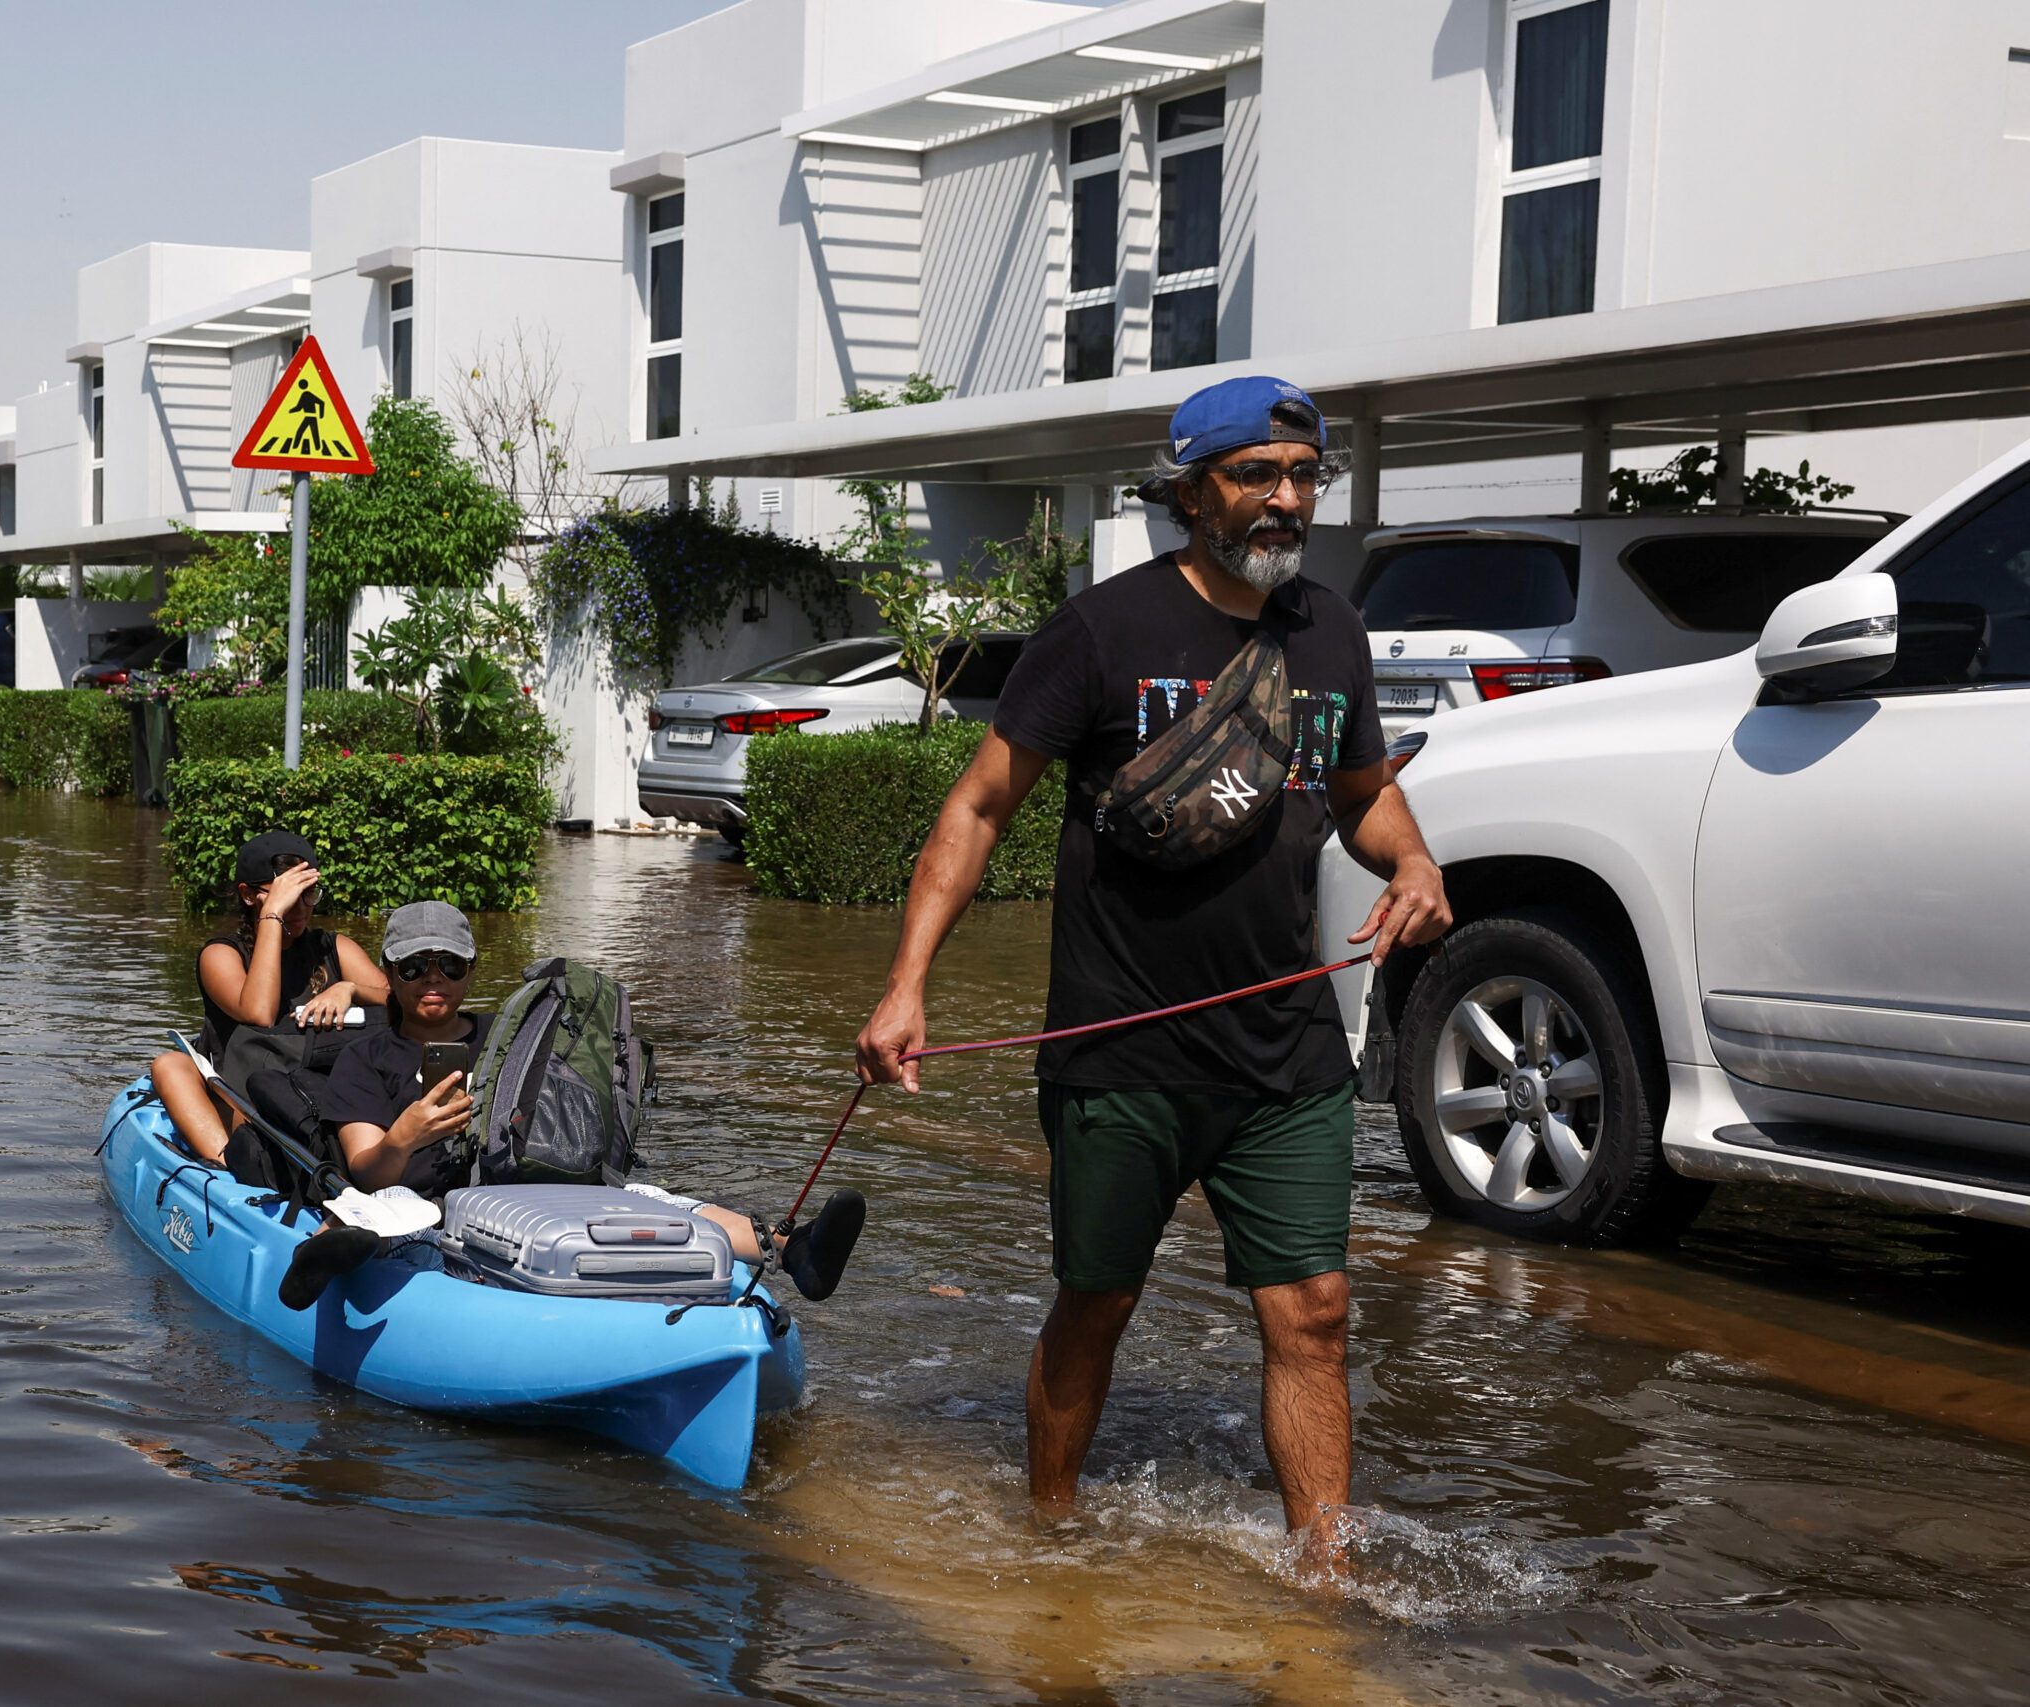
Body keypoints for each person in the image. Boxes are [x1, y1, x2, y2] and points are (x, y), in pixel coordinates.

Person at [853, 376, 1452, 1553]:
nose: (1286, 500)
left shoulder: (1328, 630)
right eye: (1255, 476)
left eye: (1302, 475)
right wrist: (906, 982)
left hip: (1286, 1050)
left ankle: (1322, 1577)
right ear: (1191, 493)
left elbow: (1361, 795)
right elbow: (978, 809)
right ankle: (1051, 1535)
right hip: (1119, 1046)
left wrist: (1415, 860)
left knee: (1316, 1312)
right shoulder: (1100, 632)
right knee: (1098, 1303)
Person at [278, 900, 867, 1310]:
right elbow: (365, 1166)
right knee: (391, 1203)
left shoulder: (515, 1037)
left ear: (470, 970)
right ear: (389, 972)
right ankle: (346, 1250)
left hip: (531, 1187)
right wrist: (406, 1136)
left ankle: (791, 1249)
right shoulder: (364, 1057)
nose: (433, 979)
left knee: (641, 1196)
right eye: (413, 966)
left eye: (449, 965)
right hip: (423, 1195)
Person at [148, 830, 390, 1184]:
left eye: (310, 894)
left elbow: (403, 1003)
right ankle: (226, 1166)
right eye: (289, 896)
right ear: (248, 895)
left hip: (315, 1095)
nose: (302, 908)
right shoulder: (222, 955)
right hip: (242, 1097)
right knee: (169, 1064)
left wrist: (348, 988)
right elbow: (258, 1012)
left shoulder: (334, 948)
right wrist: (273, 916)